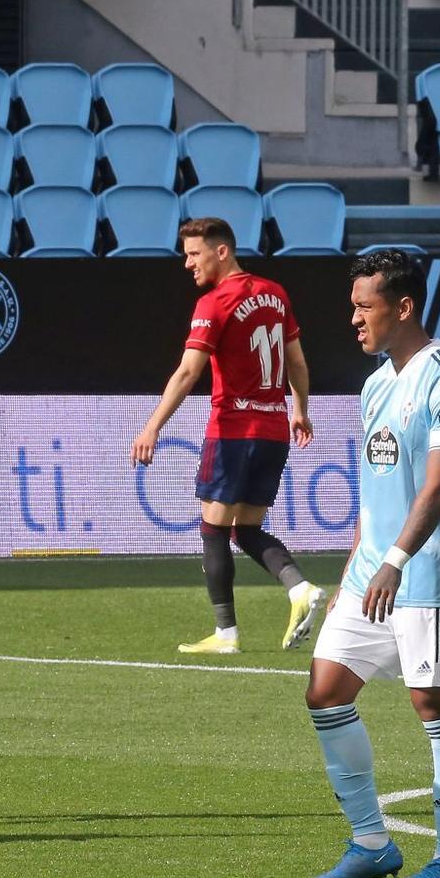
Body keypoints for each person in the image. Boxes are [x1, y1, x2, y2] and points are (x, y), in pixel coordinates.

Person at [301, 248, 440, 878]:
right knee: (325, 693)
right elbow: (376, 486)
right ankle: (371, 843)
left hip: (429, 573)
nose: (353, 319)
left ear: (402, 308)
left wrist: (395, 562)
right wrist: (358, 563)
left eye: (364, 306)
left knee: (434, 705)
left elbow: (439, 486)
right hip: (371, 575)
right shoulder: (377, 383)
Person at [130, 217, 326, 655]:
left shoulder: (214, 303)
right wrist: (299, 410)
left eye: (194, 254)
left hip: (233, 431)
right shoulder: (275, 294)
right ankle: (300, 589)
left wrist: (152, 426)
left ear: (222, 252)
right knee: (247, 529)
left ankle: (226, 634)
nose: (187, 264)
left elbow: (186, 373)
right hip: (274, 430)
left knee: (214, 530)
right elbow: (297, 362)